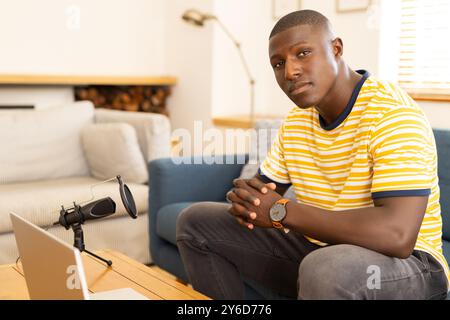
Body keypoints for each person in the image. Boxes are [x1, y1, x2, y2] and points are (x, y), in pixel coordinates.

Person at [176, 9, 449, 300]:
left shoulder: (393, 114)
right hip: (323, 250)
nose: (290, 72)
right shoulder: (296, 121)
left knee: (326, 270)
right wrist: (250, 203)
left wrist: (281, 211)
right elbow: (260, 198)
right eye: (278, 63)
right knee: (196, 222)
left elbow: (397, 236)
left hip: (410, 268)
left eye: (303, 53)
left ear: (336, 49)